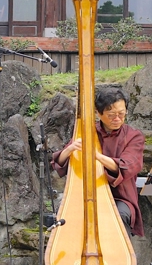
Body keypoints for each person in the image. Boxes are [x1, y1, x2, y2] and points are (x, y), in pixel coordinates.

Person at [51, 88, 145, 237]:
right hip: (85, 195)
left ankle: (116, 258)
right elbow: (59, 163)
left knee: (116, 216)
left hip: (120, 197)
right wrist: (68, 150)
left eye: (121, 113)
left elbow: (128, 166)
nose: (117, 119)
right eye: (111, 115)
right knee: (65, 217)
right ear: (98, 113)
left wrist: (96, 156)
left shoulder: (134, 136)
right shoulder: (87, 131)